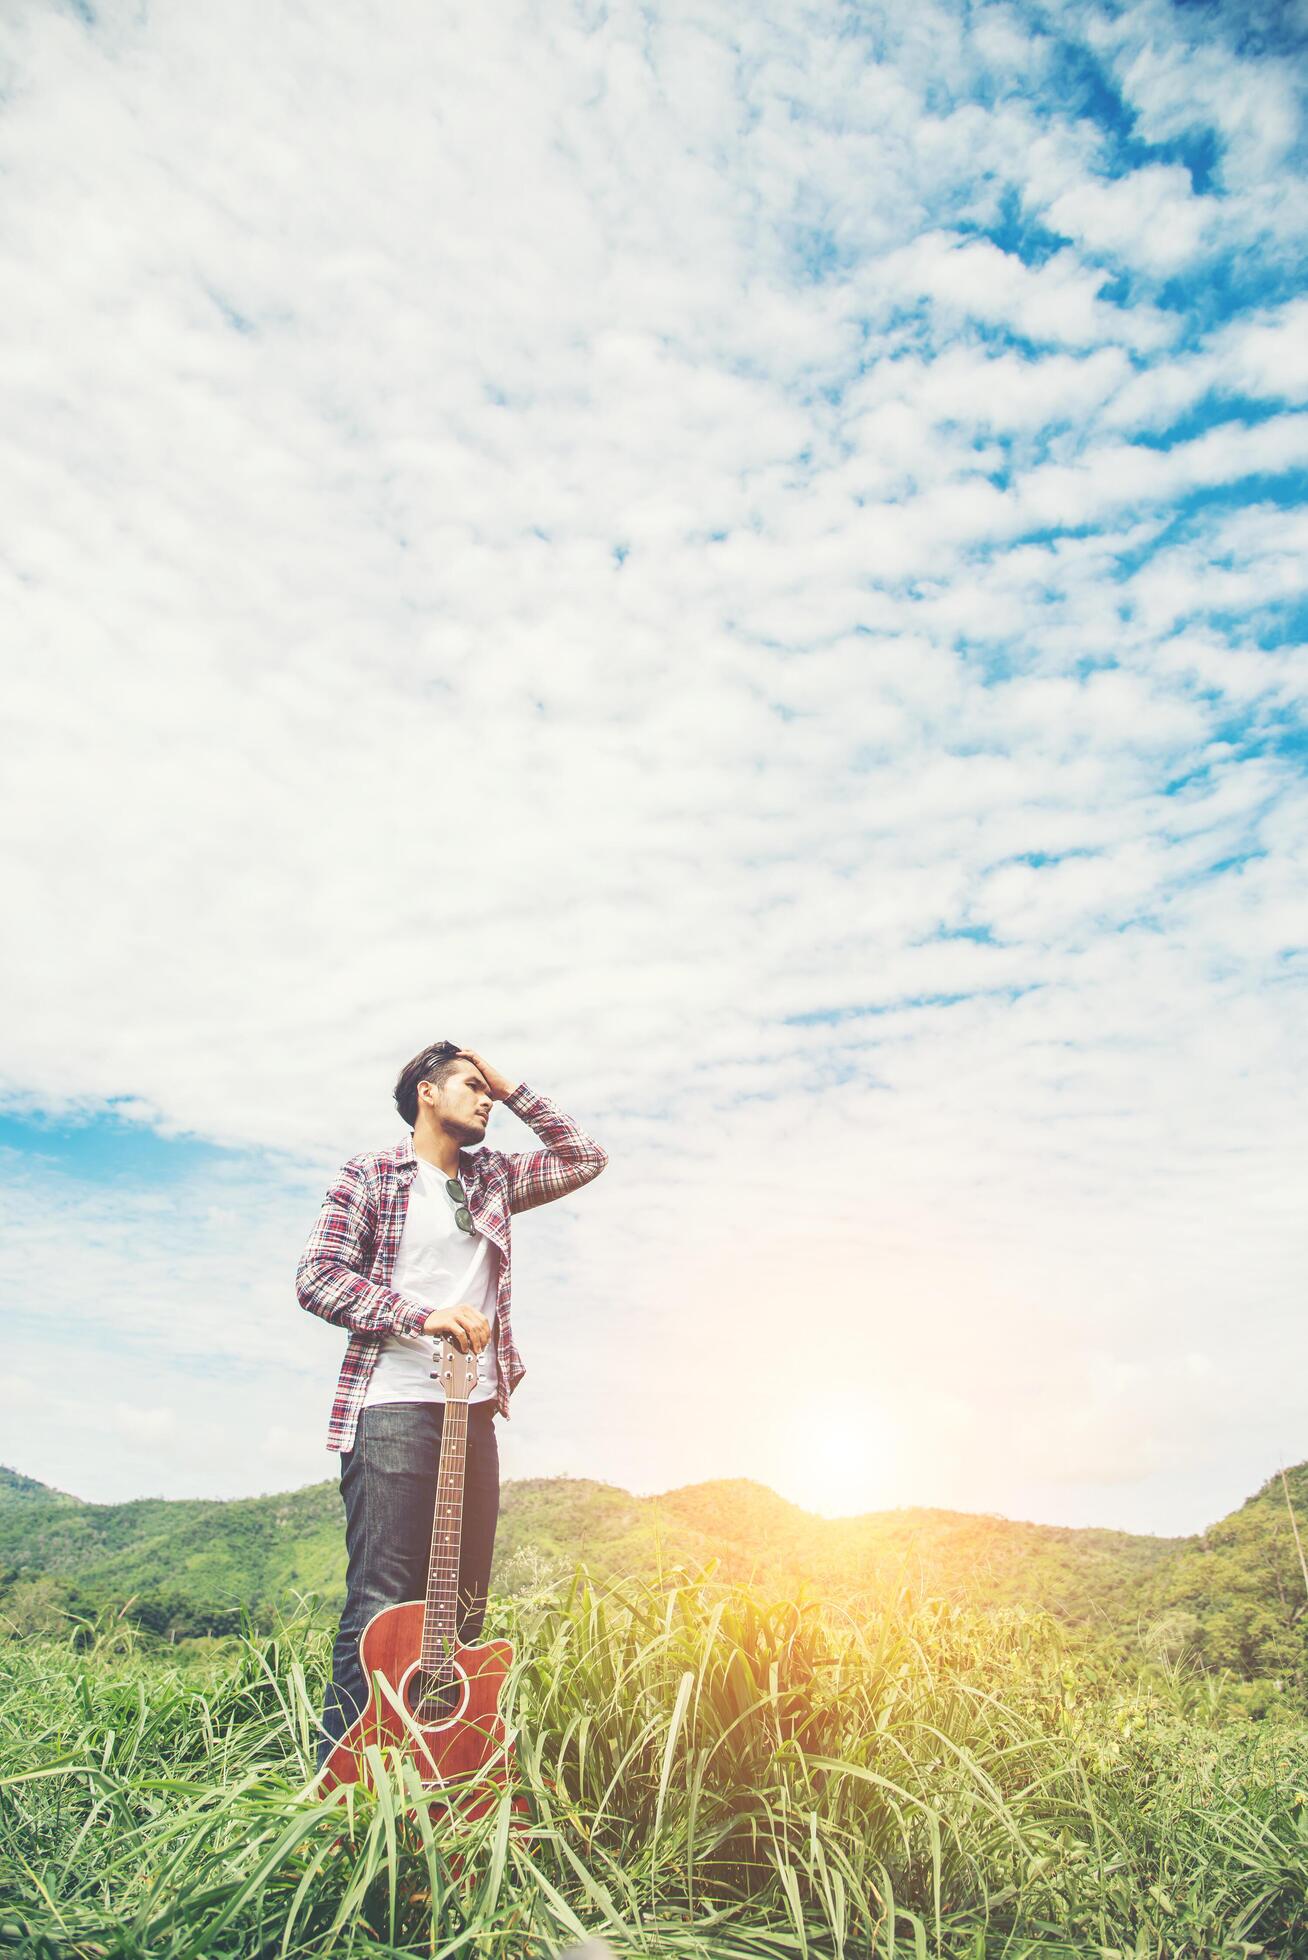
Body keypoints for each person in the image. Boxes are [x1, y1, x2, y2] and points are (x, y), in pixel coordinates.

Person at [295, 1041, 608, 1769]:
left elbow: (584, 1158)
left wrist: (508, 1082)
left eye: (487, 1090)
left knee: (463, 1614)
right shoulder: (371, 1174)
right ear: (426, 1095)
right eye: (470, 1086)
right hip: (394, 1404)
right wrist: (419, 1313)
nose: (485, 1099)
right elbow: (317, 1277)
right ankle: (344, 1790)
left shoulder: (492, 1177)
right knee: (384, 1603)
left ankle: (440, 1781)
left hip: (473, 1409)